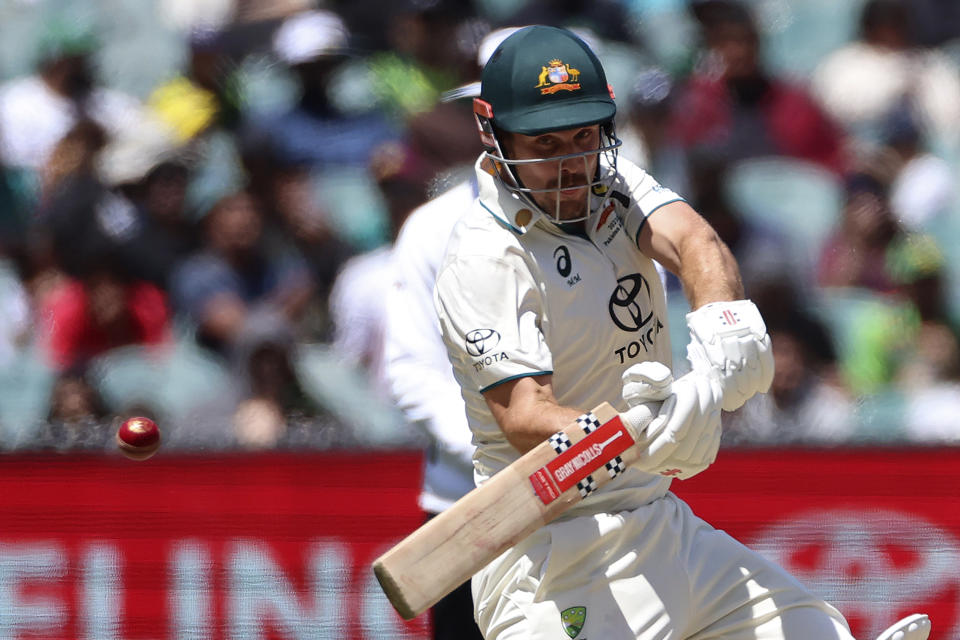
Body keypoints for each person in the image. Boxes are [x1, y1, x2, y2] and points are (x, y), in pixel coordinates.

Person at [432, 26, 930, 640]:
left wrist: (724, 332)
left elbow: (694, 240)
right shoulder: (485, 257)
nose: (568, 165)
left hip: (660, 523)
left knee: (817, 631)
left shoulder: (607, 183)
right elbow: (525, 415)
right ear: (491, 131)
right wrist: (639, 433)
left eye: (583, 138)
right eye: (544, 144)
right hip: (552, 555)